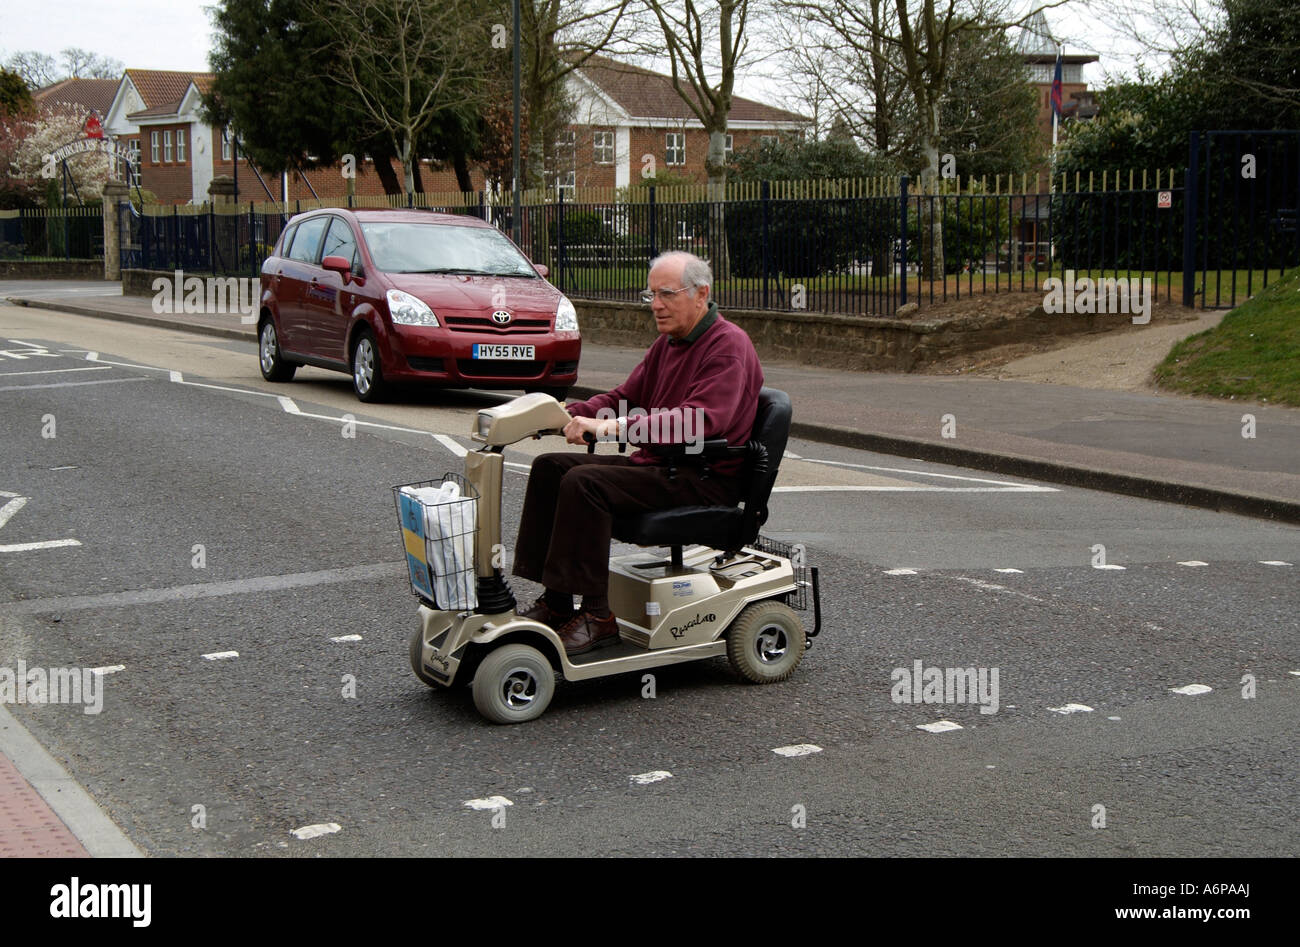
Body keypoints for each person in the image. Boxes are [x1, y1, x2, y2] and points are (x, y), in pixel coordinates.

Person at [511, 250, 765, 655]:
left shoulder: (728, 346)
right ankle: (558, 603)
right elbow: (626, 397)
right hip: (662, 468)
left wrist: (613, 427)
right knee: (550, 468)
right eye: (651, 296)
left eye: (667, 294)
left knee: (584, 482)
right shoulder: (669, 343)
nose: (657, 306)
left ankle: (597, 616)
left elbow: (699, 422)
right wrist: (559, 415)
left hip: (702, 478)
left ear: (702, 294)